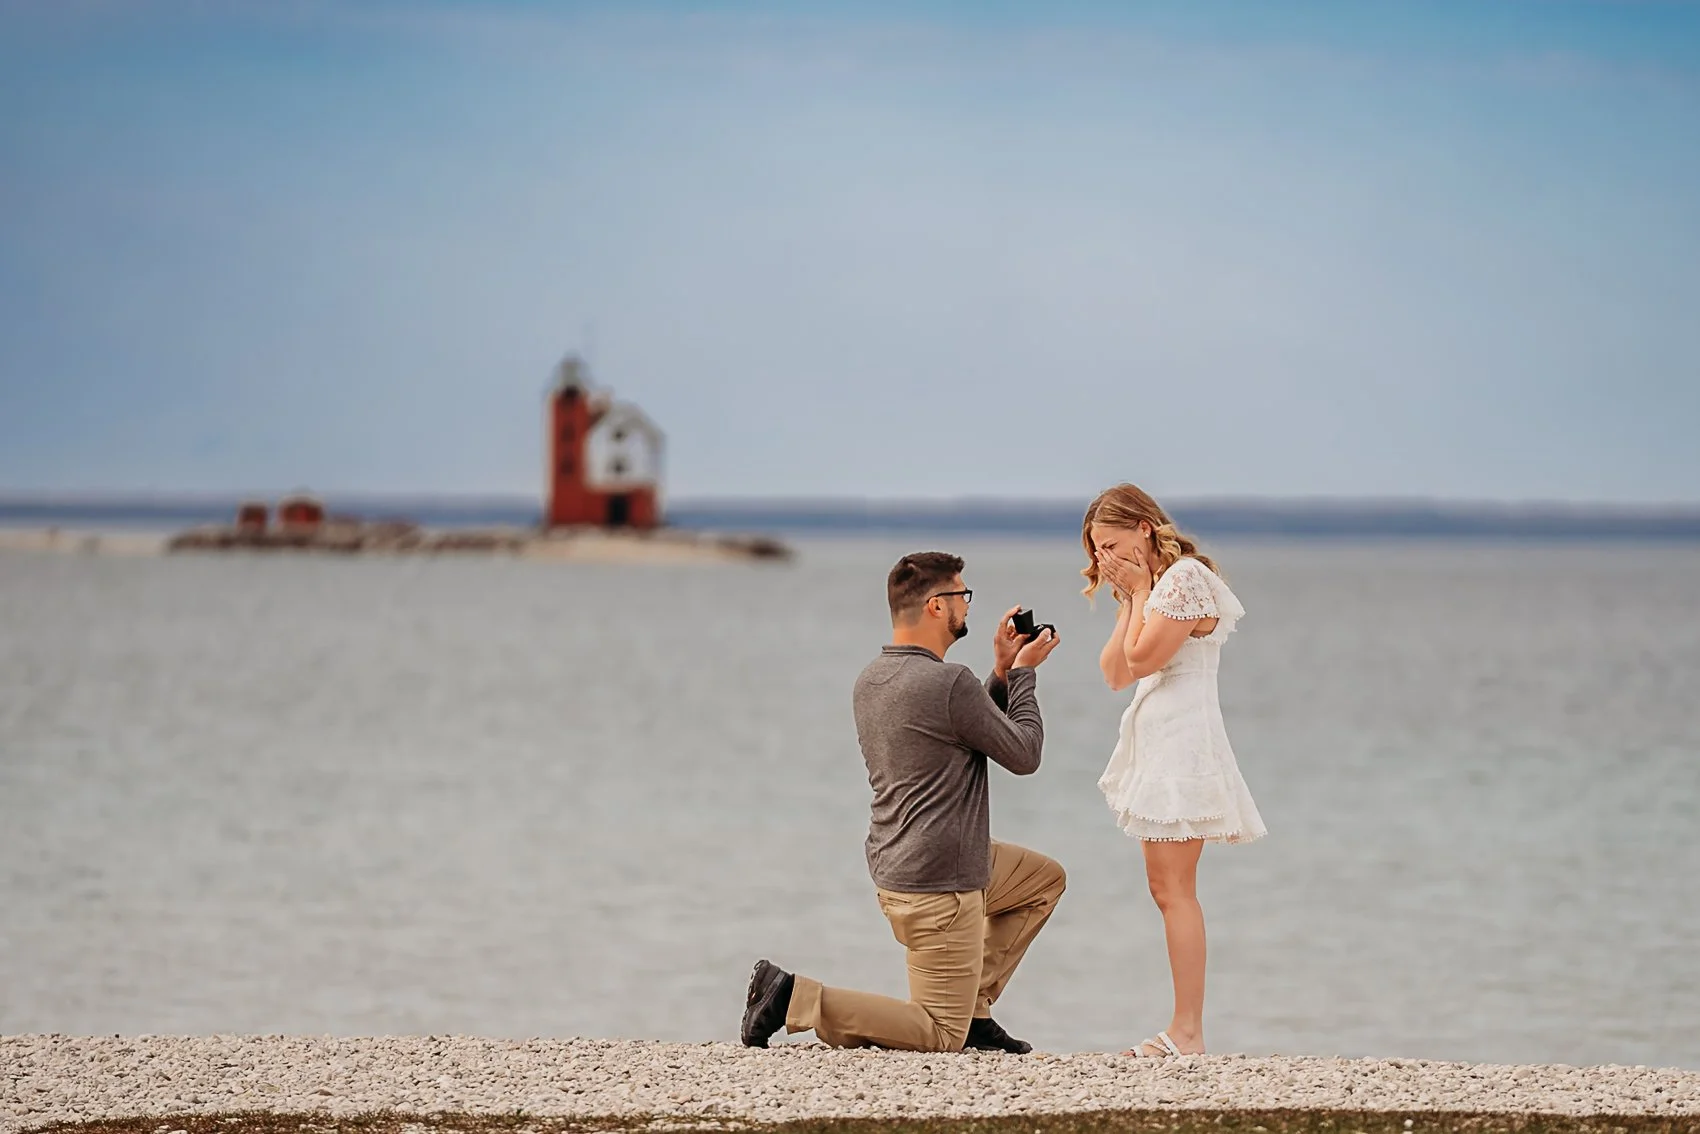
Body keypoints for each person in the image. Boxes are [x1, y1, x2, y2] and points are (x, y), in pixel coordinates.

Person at [741, 551, 1065, 1054]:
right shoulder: (949, 682)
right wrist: (1023, 676)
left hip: (903, 864)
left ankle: (973, 1006)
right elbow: (1023, 754)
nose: (967, 607)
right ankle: (793, 998)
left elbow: (961, 727)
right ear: (937, 606)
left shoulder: (872, 680)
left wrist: (1000, 670)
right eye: (962, 596)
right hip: (942, 886)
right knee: (939, 1034)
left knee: (1042, 880)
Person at [1082, 484, 1266, 1059]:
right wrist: (1131, 597)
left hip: (1184, 744)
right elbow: (1115, 673)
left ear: (1143, 527)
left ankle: (1188, 1031)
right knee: (1165, 889)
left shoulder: (1183, 579)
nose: (1106, 560)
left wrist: (1139, 592)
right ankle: (1185, 1028)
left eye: (1112, 544)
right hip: (1160, 740)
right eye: (1097, 552)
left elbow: (1143, 661)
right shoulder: (1152, 589)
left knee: (1177, 890)